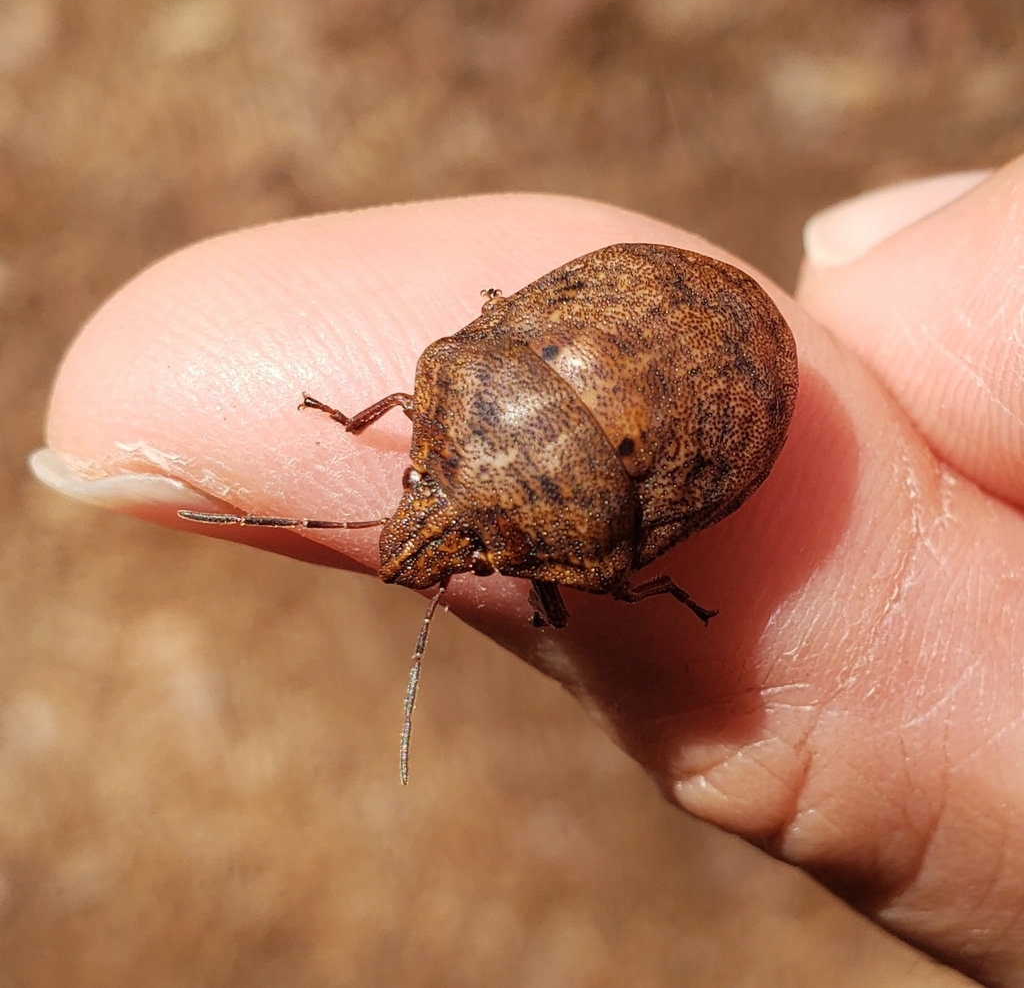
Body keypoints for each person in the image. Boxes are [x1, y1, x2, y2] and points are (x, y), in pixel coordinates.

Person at [33, 158, 1024, 986]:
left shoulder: (564, 535)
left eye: (446, 522)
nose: (415, 545)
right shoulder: (458, 394)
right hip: (669, 339)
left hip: (696, 364)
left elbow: (612, 574)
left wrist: (649, 586)